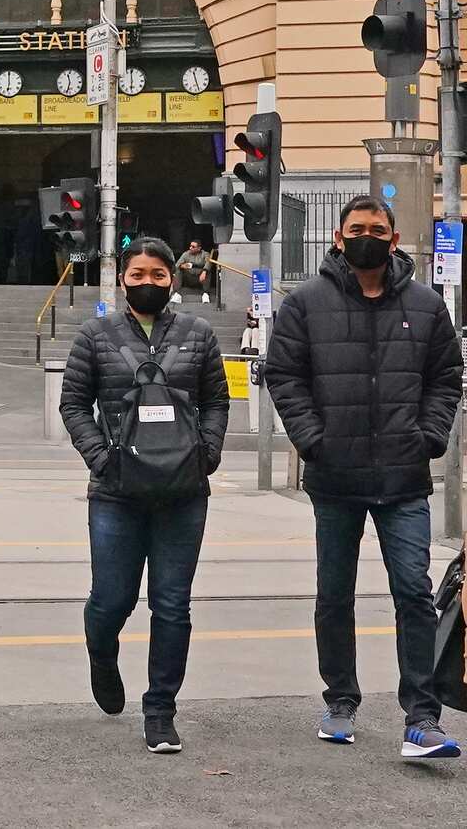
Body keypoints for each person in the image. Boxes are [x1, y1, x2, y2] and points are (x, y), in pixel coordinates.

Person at [266, 195, 463, 759]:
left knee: (414, 594)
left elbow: (446, 377)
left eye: (378, 229)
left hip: (403, 476)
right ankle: (340, 701)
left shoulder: (426, 306)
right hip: (335, 476)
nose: (367, 237)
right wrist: (312, 440)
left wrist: (428, 436)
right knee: (334, 595)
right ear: (338, 236)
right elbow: (284, 374)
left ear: (395, 240)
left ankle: (422, 717)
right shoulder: (305, 303)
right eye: (358, 229)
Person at [59, 236, 229, 755]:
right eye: (138, 275)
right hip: (116, 491)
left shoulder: (198, 334)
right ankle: (101, 652)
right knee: (113, 599)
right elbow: (73, 404)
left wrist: (208, 451)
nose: (148, 283)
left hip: (183, 489)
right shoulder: (96, 334)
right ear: (122, 279)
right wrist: (102, 458)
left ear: (173, 279)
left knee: (173, 604)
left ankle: (160, 712)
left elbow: (217, 400)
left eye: (159, 275)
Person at [172, 240, 210, 305]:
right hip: (189, 278)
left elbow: (208, 263)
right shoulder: (186, 254)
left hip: (200, 279)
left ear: (199, 248)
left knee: (207, 271)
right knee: (178, 270)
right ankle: (177, 294)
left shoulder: (205, 254)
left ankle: (205, 294)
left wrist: (204, 271)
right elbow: (176, 265)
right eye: (190, 246)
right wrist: (182, 266)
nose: (190, 248)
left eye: (193, 247)